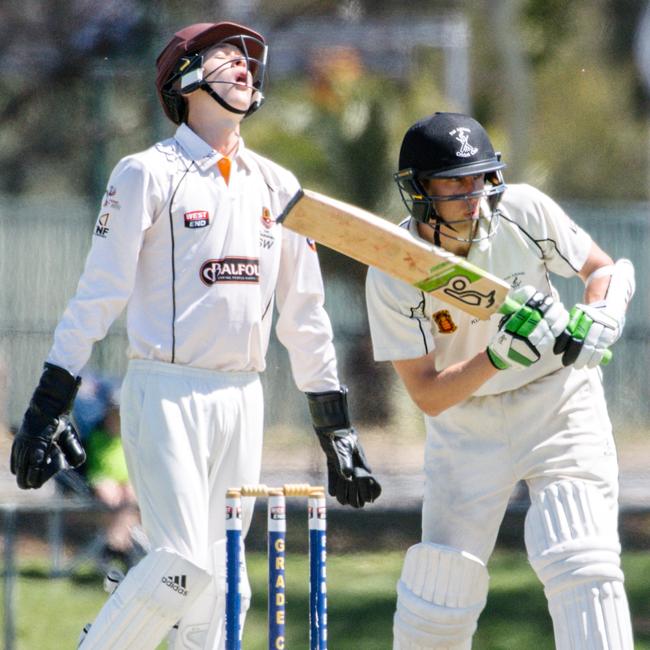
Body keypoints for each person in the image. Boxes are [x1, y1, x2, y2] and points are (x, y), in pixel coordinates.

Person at [10, 20, 381, 650]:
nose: (243, 66)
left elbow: (306, 314)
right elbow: (98, 295)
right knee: (182, 570)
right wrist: (52, 400)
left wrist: (334, 424)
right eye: (225, 57)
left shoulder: (279, 187)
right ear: (183, 78)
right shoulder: (146, 173)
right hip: (167, 392)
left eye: (247, 59)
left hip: (244, 396)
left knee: (227, 590)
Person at [365, 112, 636, 649]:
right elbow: (428, 394)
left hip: (560, 402)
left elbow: (602, 271)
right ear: (418, 191)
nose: (475, 196)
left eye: (482, 178)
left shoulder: (524, 210)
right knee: (439, 596)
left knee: (583, 558)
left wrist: (601, 315)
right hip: (467, 424)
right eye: (456, 182)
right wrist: (496, 356)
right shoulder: (395, 268)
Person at [72, 374, 145, 570]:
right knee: (111, 496)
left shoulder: (130, 435)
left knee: (131, 495)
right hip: (102, 478)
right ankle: (121, 545)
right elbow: (96, 466)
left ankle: (114, 543)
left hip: (126, 479)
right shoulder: (96, 434)